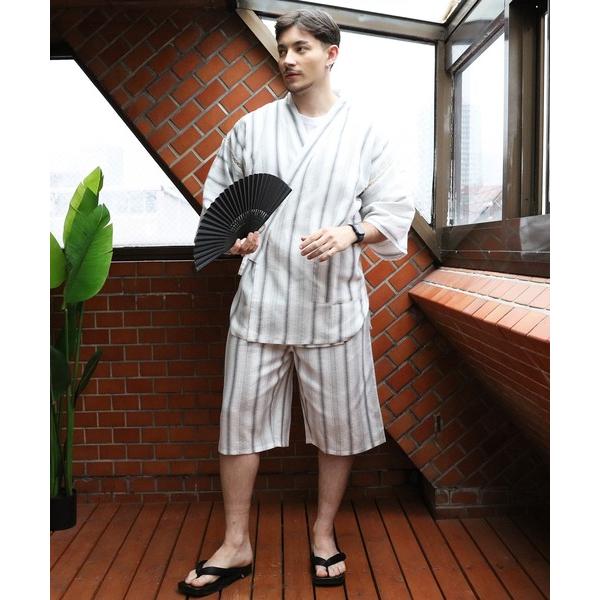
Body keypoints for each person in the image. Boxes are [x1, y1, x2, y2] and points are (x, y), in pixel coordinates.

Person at [178, 7, 414, 597]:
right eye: (283, 47)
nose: (288, 58)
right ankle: (236, 542)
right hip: (261, 301)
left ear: (331, 55)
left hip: (331, 303)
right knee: (239, 424)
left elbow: (393, 213)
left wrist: (350, 233)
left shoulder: (366, 132)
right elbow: (218, 205)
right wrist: (236, 238)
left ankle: (323, 531)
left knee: (337, 428)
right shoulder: (251, 129)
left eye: (301, 47)